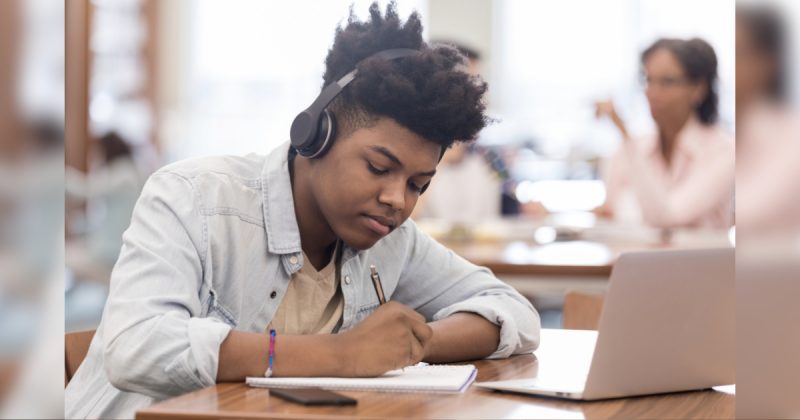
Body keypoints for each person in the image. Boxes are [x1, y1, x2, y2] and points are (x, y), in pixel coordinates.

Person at [65, 3, 540, 418]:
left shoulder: (393, 240)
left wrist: (411, 343)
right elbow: (137, 346)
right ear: (316, 133)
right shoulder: (193, 198)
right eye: (378, 167)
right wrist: (336, 355)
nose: (398, 199)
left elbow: (512, 312)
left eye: (418, 184)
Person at [595, 38, 734, 229]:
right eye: (648, 80)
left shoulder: (723, 150)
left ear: (698, 88)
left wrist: (623, 132)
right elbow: (609, 214)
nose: (652, 92)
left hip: (699, 260)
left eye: (667, 82)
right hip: (631, 257)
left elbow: (668, 217)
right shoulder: (629, 149)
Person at [411, 42, 503, 225]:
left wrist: (528, 206)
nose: (480, 97)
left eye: (480, 85)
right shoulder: (411, 150)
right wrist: (440, 162)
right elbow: (402, 220)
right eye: (470, 84)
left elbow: (511, 196)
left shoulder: (488, 154)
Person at [735, 4, 800, 236]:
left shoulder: (790, 134)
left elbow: (753, 213)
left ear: (767, 64)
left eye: (739, 54)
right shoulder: (734, 130)